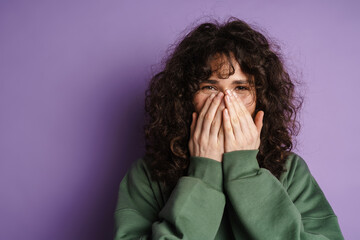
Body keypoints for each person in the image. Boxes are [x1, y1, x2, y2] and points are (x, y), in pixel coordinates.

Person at [112, 17, 345, 239]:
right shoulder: (147, 174)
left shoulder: (290, 170)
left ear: (262, 99)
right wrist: (204, 174)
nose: (225, 101)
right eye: (210, 87)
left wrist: (244, 171)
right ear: (184, 97)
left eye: (241, 88)